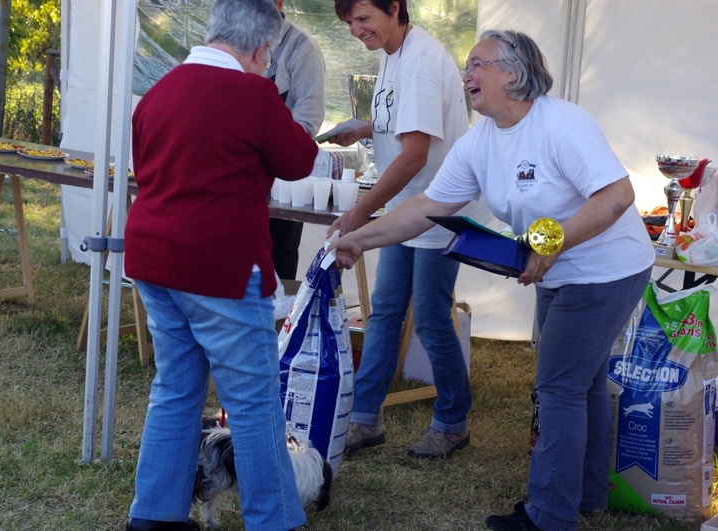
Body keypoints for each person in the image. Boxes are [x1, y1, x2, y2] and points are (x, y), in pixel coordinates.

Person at [328, 29, 654, 531]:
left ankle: (549, 516)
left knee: (558, 387)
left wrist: (547, 245)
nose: (465, 76)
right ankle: (586, 497)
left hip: (606, 271)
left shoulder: (563, 124)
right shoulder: (479, 139)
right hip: (558, 269)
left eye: (477, 65)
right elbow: (428, 208)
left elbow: (615, 197)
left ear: (513, 71)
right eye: (466, 66)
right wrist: (361, 239)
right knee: (581, 384)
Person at [122, 0, 319, 528]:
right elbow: (299, 160)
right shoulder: (253, 93)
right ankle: (275, 519)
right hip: (218, 266)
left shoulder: (160, 91)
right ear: (262, 48)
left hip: (153, 259)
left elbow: (151, 168)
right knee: (253, 403)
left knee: (176, 387)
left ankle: (155, 515)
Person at [326, 0, 471, 460]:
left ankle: (452, 421)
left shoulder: (422, 61)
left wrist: (358, 214)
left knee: (429, 317)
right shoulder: (394, 51)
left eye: (363, 19)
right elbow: (408, 121)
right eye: (349, 22)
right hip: (408, 208)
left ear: (395, 9)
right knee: (385, 312)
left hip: (437, 209)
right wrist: (367, 128)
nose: (355, 30)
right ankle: (365, 419)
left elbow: (415, 154)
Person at [267, 0, 326, 280]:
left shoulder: (302, 48)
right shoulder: (235, 39)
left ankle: (278, 323)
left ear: (278, 3)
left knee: (277, 259)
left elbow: (308, 120)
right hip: (238, 180)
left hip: (281, 181)